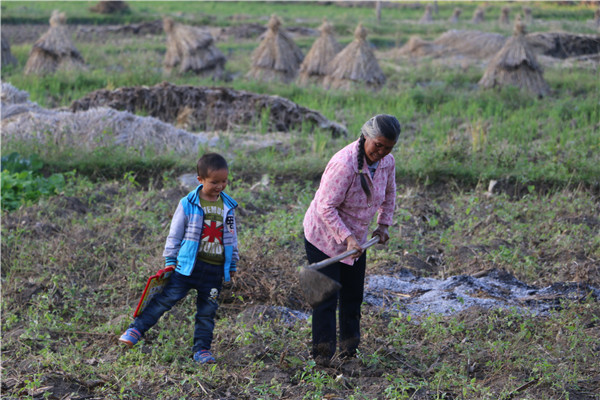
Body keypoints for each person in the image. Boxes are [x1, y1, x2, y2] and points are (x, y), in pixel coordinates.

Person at [119, 153, 239, 364]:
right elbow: (175, 234)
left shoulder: (228, 206)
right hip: (187, 268)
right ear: (200, 180)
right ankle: (136, 330)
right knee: (164, 300)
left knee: (207, 313)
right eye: (214, 182)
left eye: (224, 181)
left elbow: (232, 236)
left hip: (214, 271)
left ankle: (201, 350)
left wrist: (233, 263)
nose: (220, 186)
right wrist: (170, 260)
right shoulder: (187, 203)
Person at [303, 114, 401, 365]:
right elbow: (325, 207)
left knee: (353, 296)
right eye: (377, 145)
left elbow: (389, 194)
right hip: (323, 236)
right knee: (325, 299)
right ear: (365, 136)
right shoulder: (344, 164)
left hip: (355, 240)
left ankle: (350, 352)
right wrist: (346, 237)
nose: (381, 151)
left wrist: (383, 225)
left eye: (388, 147)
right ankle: (322, 357)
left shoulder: (388, 162)